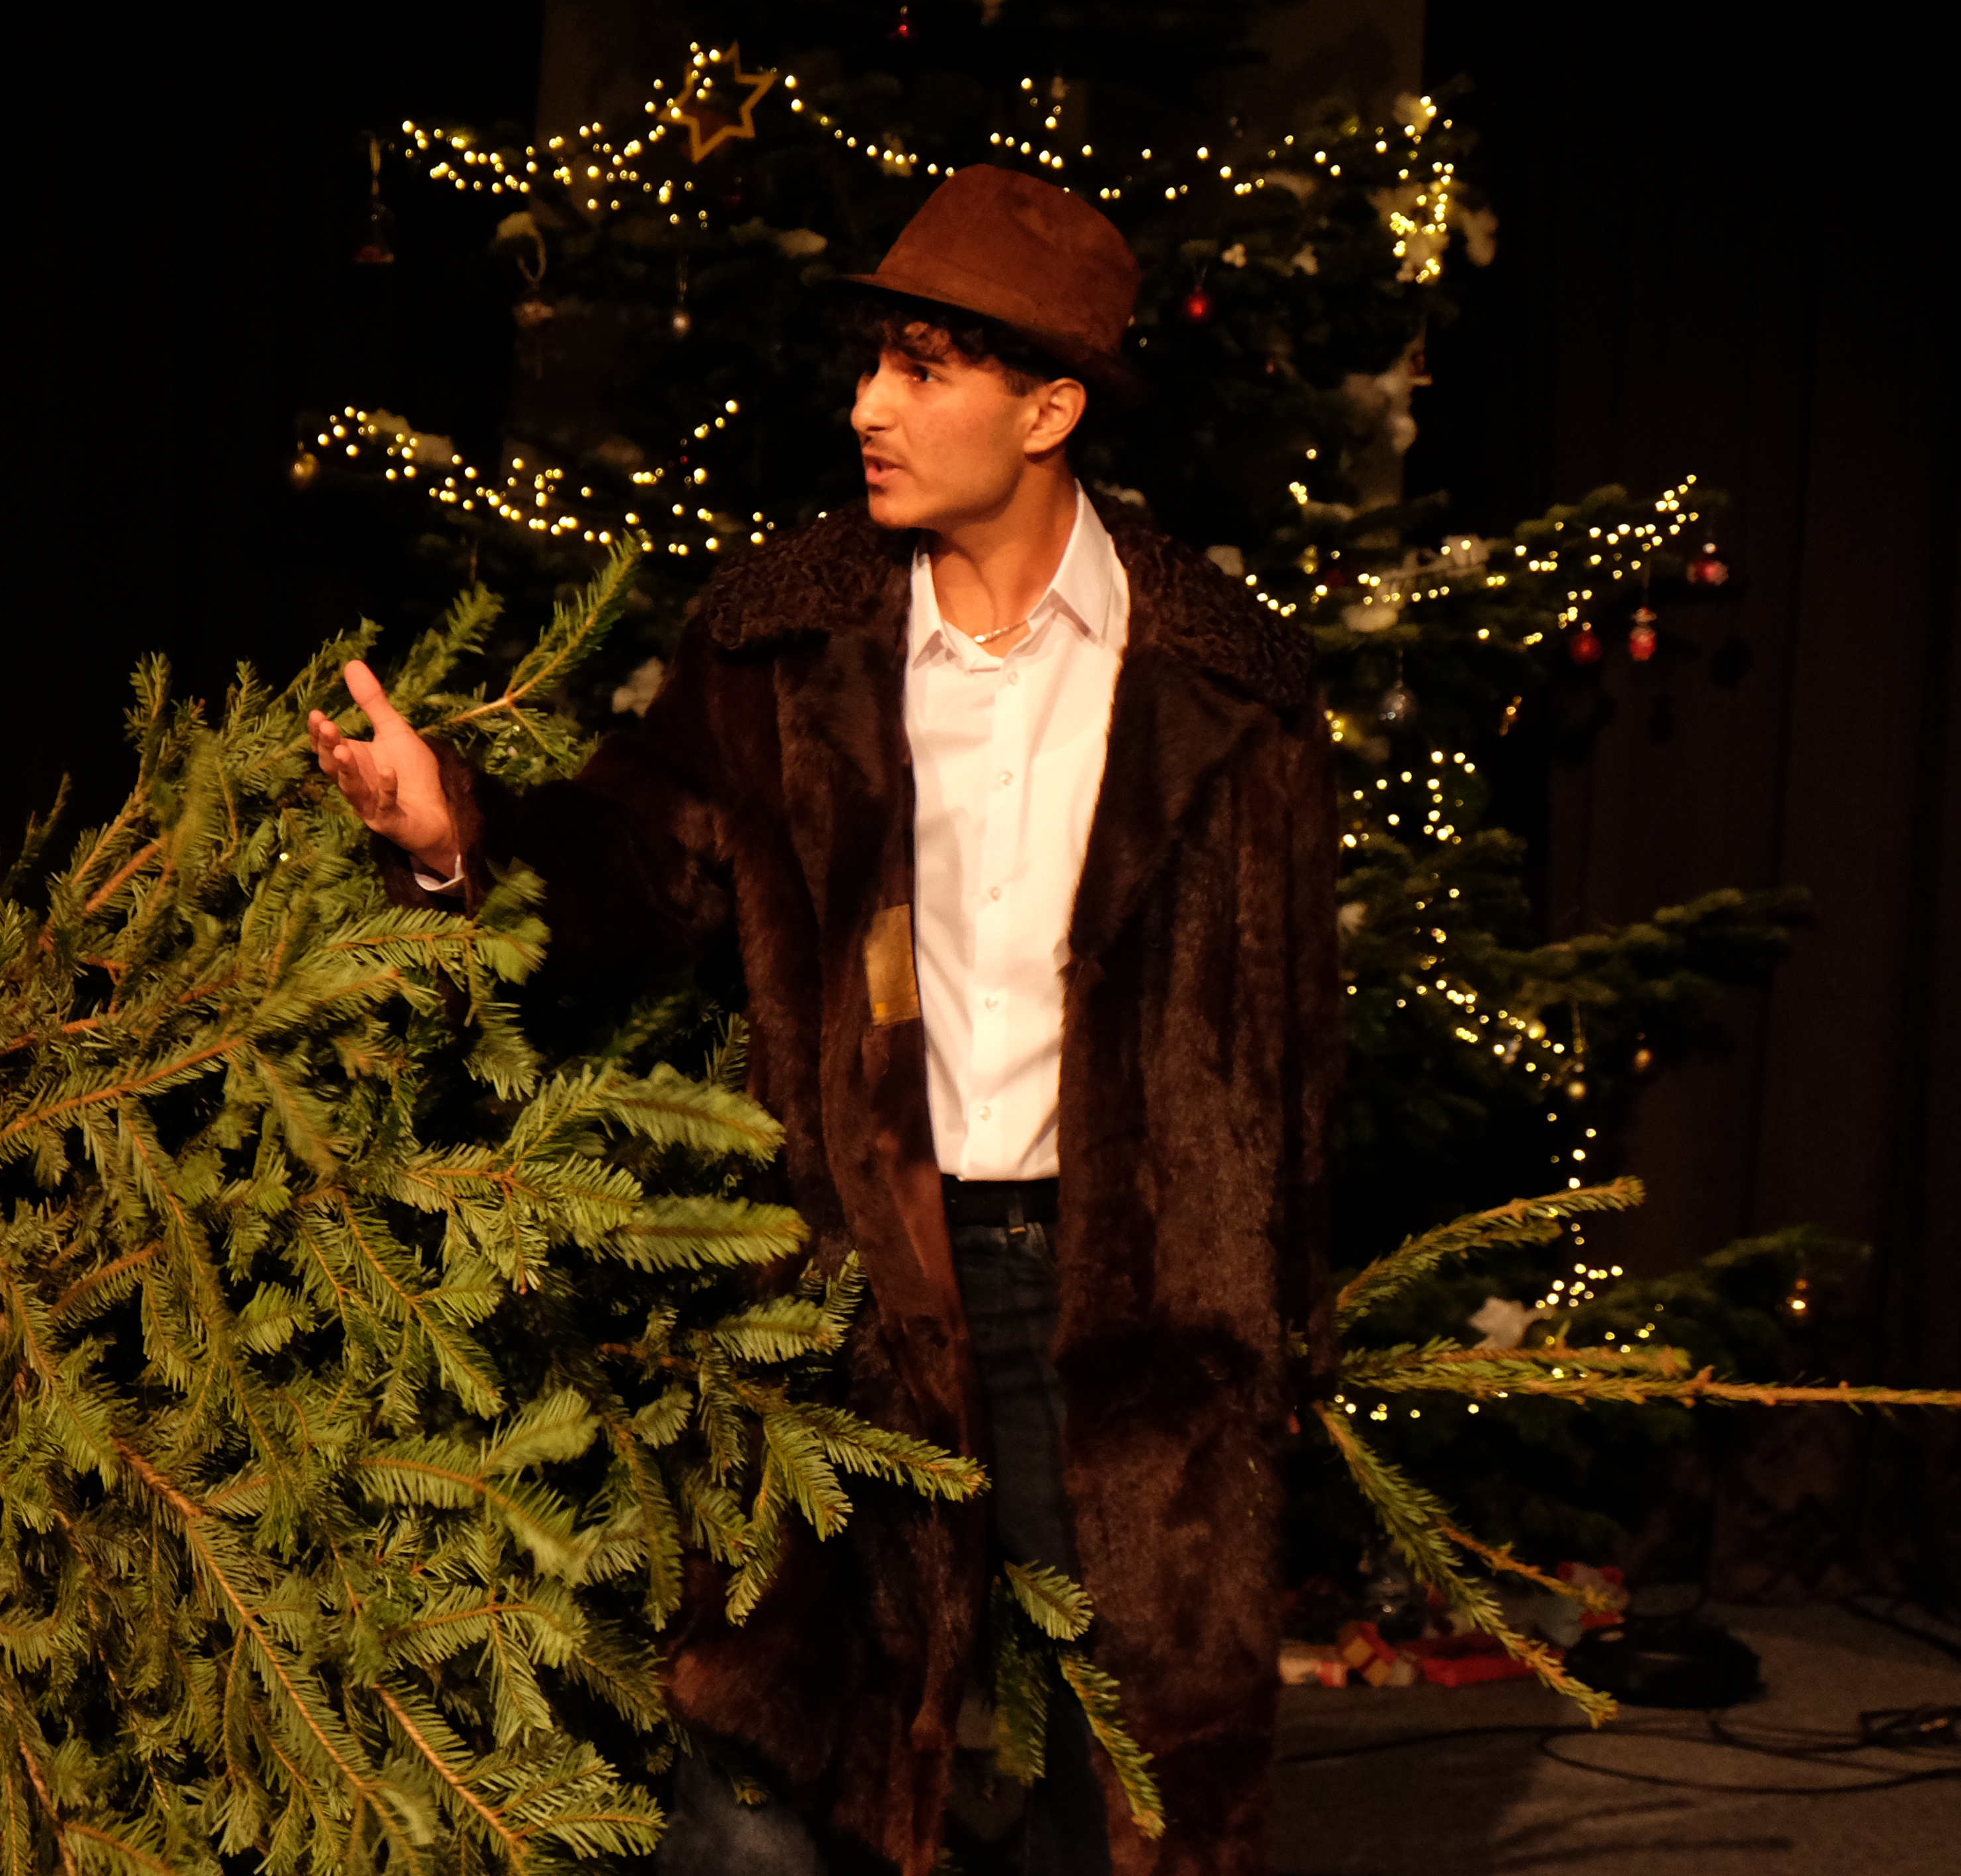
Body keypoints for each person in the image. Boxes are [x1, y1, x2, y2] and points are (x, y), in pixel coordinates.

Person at [311, 167, 1340, 1876]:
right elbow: (639, 868)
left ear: (1049, 410)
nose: (868, 406)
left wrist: (1275, 1327)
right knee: (805, 1748)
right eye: (872, 363)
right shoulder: (784, 645)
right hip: (859, 1266)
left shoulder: (1224, 684)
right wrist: (452, 837)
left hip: (1130, 1287)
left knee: (1133, 1768)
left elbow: (1289, 1041)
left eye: (923, 371)